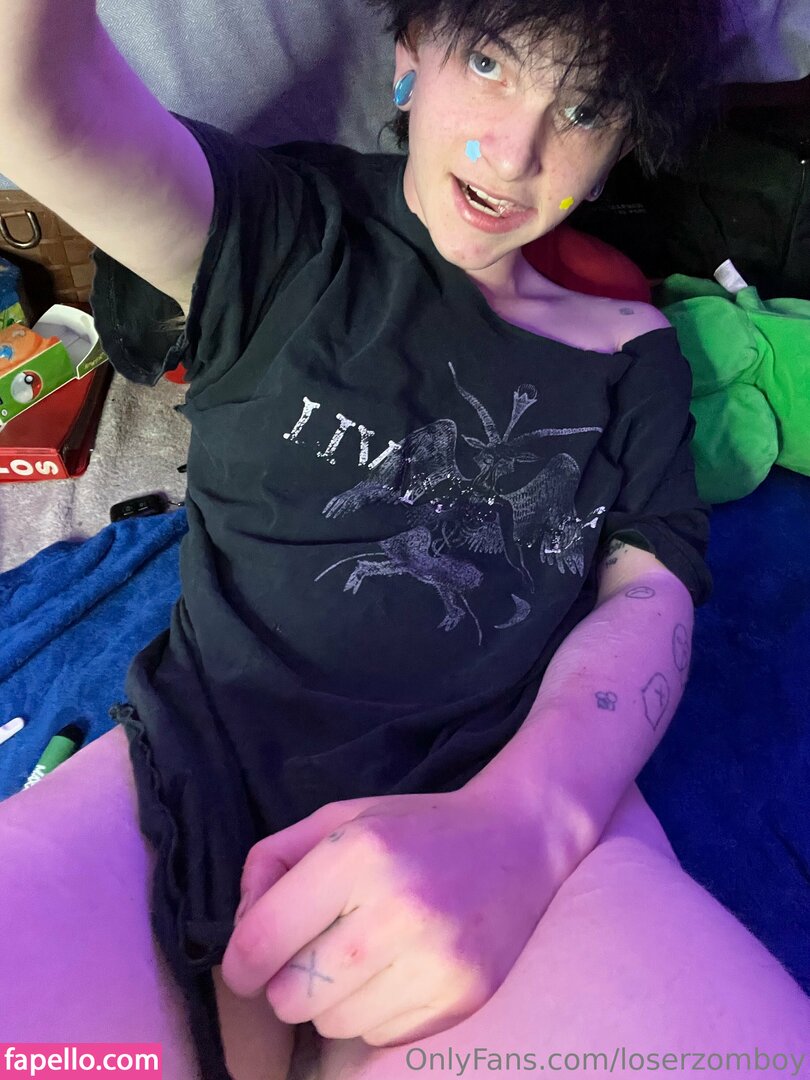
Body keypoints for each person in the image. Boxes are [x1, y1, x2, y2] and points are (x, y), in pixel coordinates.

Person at [1, 1, 808, 1078]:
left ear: (620, 144)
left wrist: (530, 822)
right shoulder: (287, 225)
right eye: (491, 62)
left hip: (495, 797)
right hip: (189, 771)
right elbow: (35, 98)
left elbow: (649, 590)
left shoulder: (634, 350)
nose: (512, 154)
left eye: (582, 109)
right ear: (411, 54)